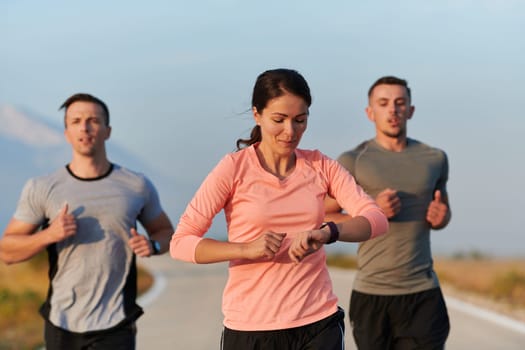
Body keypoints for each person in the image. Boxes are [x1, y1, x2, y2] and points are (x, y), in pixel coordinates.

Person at [170, 68, 389, 350]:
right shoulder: (233, 169)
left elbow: (376, 219)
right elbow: (181, 243)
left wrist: (326, 233)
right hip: (251, 328)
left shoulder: (320, 165)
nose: (290, 131)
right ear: (257, 115)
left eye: (300, 120)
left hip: (317, 322)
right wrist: (245, 249)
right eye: (279, 119)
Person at [0, 93, 174, 350]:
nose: (85, 127)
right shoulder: (42, 187)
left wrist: (154, 246)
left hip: (116, 322)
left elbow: (166, 231)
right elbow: (7, 251)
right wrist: (48, 235)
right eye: (76, 121)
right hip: (62, 321)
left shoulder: (136, 185)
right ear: (66, 132)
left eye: (93, 120)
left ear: (107, 130)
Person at [325, 76, 452, 349]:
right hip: (372, 294)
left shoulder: (435, 158)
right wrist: (373, 213)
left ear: (411, 110)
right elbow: (323, 217)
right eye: (383, 103)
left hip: (423, 293)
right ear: (370, 112)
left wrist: (441, 217)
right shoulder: (352, 160)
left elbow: (444, 213)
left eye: (399, 103)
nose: (392, 110)